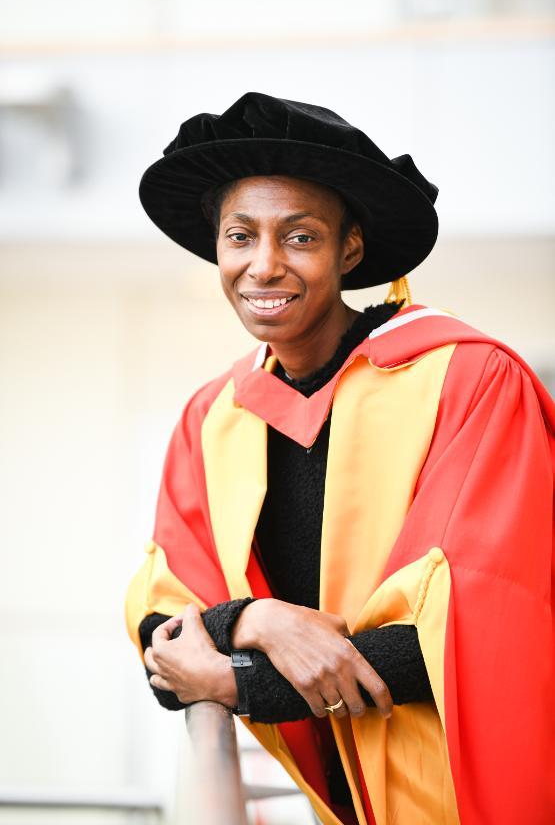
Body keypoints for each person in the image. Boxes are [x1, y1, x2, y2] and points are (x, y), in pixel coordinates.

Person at [125, 92, 554, 825]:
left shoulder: (468, 382)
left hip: (471, 794)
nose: (262, 266)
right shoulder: (214, 418)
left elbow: (477, 626)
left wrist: (236, 682)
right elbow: (165, 638)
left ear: (347, 249)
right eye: (239, 236)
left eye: (298, 238)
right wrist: (255, 621)